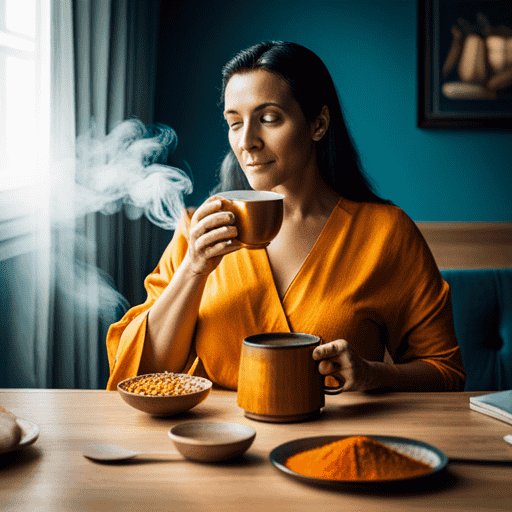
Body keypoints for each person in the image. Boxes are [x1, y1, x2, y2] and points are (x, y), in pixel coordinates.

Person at [106, 41, 466, 392]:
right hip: (218, 442)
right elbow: (141, 373)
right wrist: (194, 268)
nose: (247, 141)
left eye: (268, 118)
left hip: (333, 442)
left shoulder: (386, 232)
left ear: (318, 124)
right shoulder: (198, 228)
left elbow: (445, 371)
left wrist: (373, 374)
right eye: (234, 123)